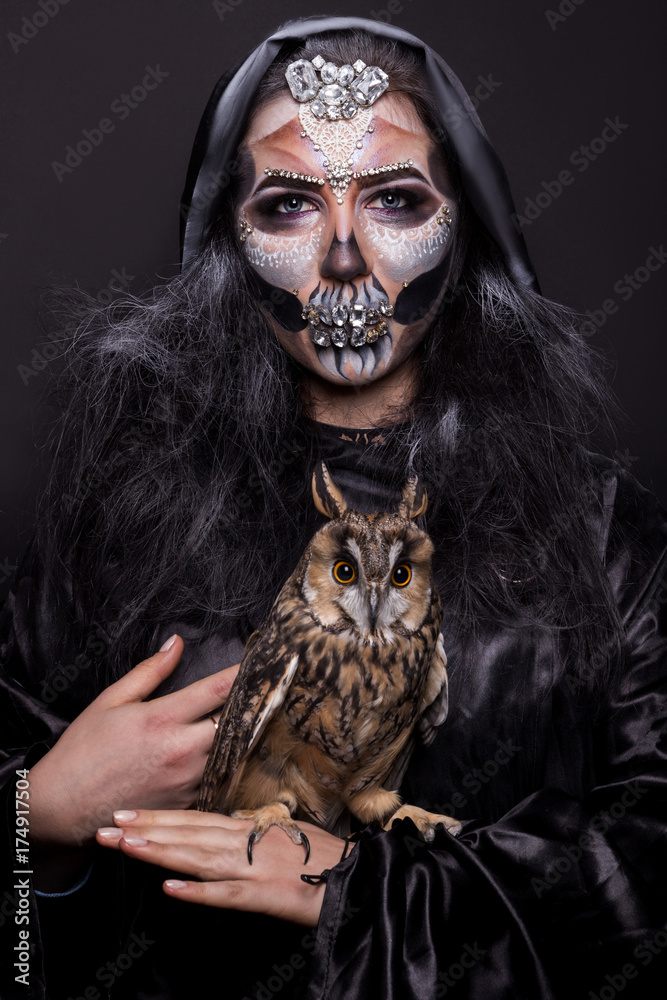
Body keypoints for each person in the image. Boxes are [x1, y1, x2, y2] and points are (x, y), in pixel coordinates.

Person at [1, 15, 665, 1000]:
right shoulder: (124, 517)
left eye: (395, 199)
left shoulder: (595, 529)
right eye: (288, 206)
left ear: (467, 227)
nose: (346, 253)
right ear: (228, 236)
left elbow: (648, 870)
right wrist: (37, 813)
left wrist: (366, 891)